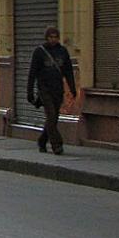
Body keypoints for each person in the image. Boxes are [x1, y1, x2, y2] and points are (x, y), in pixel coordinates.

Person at [26, 26, 77, 155]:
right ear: (46, 38)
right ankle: (57, 144)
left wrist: (72, 88)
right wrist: (30, 92)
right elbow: (32, 73)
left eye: (55, 37)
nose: (53, 40)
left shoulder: (63, 51)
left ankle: (42, 140)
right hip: (44, 89)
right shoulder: (39, 52)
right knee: (51, 115)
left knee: (53, 119)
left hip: (58, 89)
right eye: (50, 37)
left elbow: (68, 72)